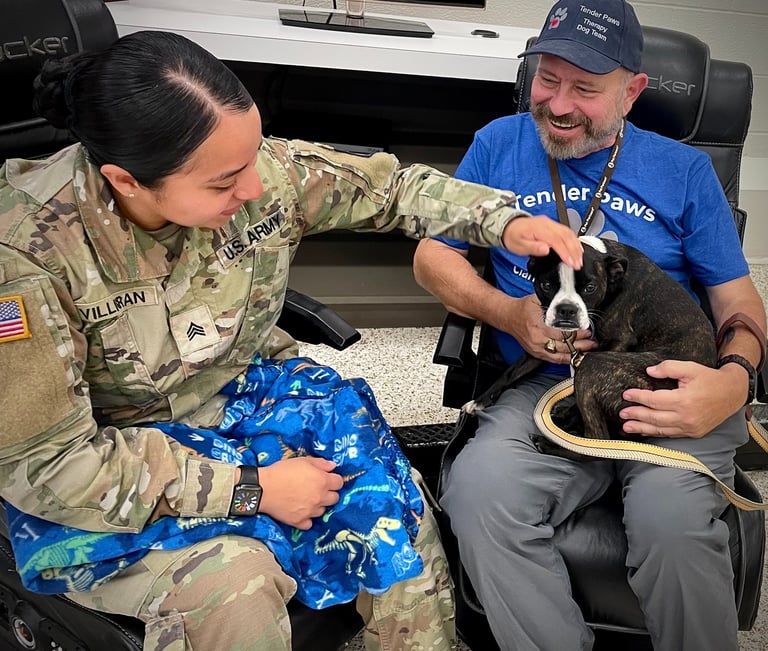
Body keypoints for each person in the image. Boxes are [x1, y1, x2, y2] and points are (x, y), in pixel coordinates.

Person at [0, 29, 584, 651]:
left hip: (244, 399)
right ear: (126, 180)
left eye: (252, 158)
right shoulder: (26, 257)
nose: (253, 189)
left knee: (396, 512)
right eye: (224, 183)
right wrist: (253, 488)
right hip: (119, 461)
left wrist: (504, 221)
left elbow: (394, 189)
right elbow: (48, 468)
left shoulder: (261, 173)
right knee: (233, 582)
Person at [413, 1, 767, 650]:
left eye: (586, 88)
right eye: (548, 79)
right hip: (545, 385)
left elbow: (740, 304)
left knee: (671, 521)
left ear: (632, 92)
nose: (559, 104)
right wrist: (507, 313)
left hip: (663, 384)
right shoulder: (498, 143)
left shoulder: (683, 172)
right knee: (478, 493)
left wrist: (734, 382)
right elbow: (431, 257)